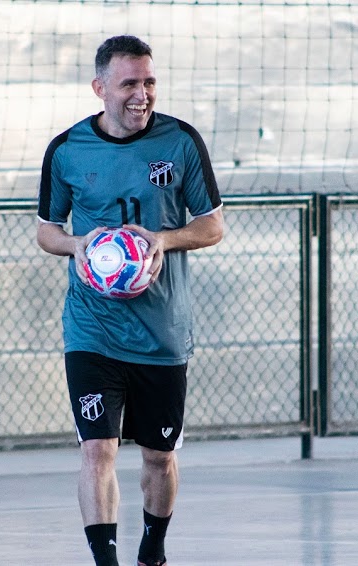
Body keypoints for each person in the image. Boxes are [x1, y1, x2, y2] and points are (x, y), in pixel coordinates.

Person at [36, 35, 224, 566]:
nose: (142, 95)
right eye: (129, 84)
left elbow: (212, 226)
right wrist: (82, 246)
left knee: (159, 458)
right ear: (100, 88)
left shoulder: (180, 142)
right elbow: (48, 232)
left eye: (149, 82)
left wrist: (160, 240)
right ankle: (106, 561)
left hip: (162, 331)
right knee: (97, 449)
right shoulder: (68, 150)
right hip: (92, 329)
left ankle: (153, 549)